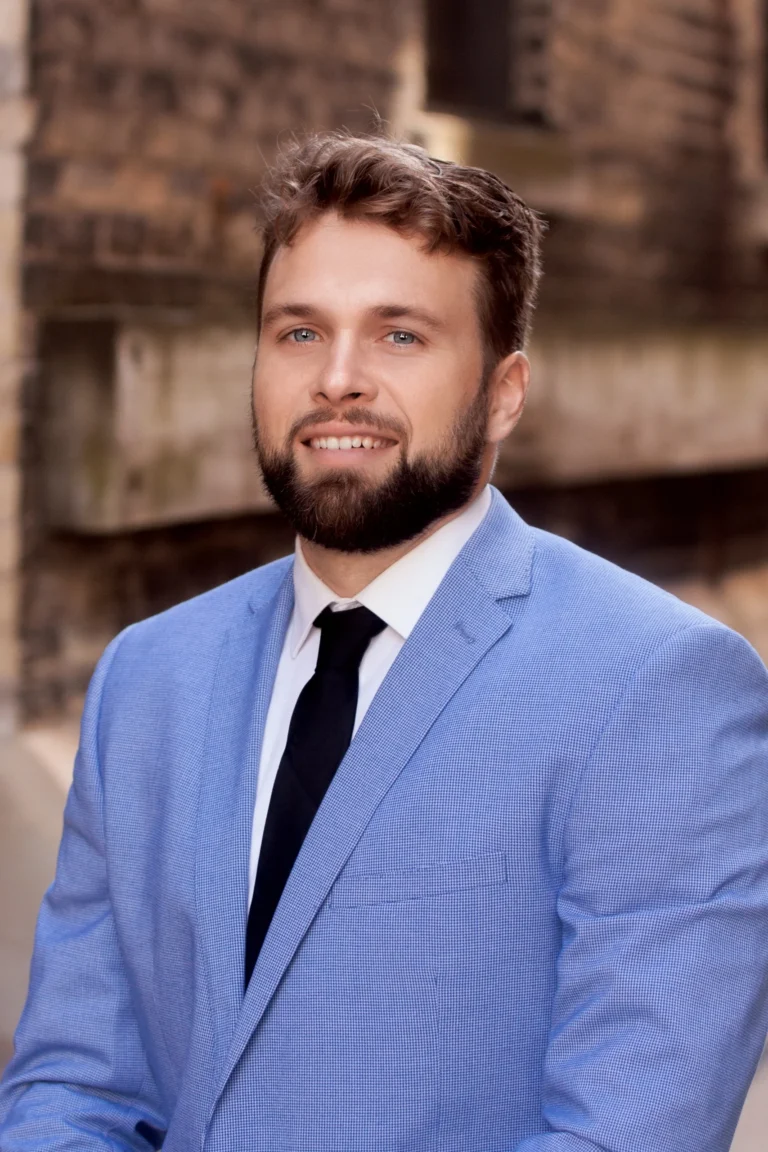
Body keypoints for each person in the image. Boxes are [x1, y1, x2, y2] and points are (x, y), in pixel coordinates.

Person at [1, 132, 767, 1152]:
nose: (339, 380)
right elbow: (75, 1085)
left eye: (400, 336)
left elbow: (626, 1132)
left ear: (504, 392)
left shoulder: (661, 686)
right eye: (299, 333)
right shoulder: (148, 677)